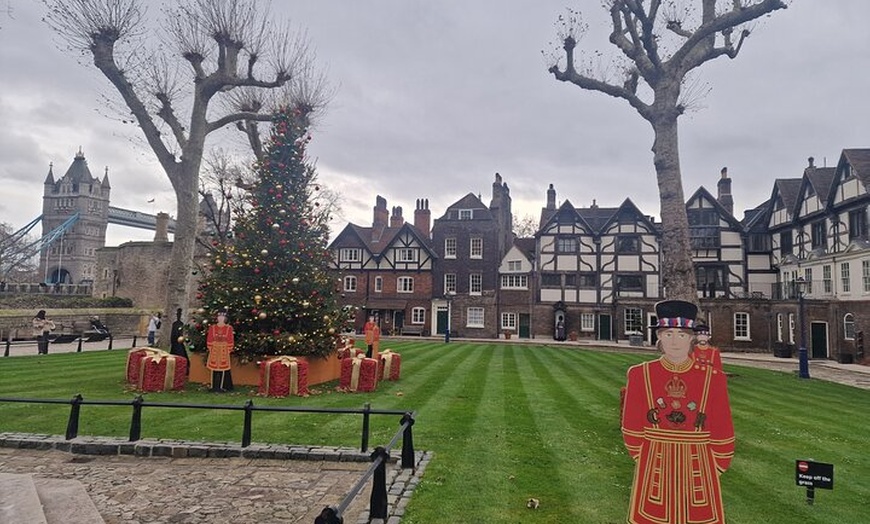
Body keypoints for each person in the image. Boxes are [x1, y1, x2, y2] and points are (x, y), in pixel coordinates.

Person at [621, 300, 734, 524]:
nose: (674, 341)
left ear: (692, 338)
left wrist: (711, 470)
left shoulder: (713, 378)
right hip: (654, 464)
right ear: (659, 337)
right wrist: (646, 460)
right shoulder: (639, 374)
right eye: (668, 333)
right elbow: (631, 429)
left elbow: (723, 431)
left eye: (681, 335)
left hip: (699, 467)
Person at [206, 310, 234, 392]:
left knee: (222, 369)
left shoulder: (229, 328)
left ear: (225, 318)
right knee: (214, 369)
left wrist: (228, 349)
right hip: (215, 350)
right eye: (219, 317)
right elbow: (210, 339)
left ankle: (220, 386)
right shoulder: (212, 328)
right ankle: (214, 386)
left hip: (223, 350)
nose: (221, 319)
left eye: (222, 317)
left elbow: (230, 340)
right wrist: (211, 348)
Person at [169, 308, 189, 374]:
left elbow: (180, 333)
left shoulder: (180, 323)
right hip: (175, 342)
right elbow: (173, 334)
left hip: (178, 342)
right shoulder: (175, 324)